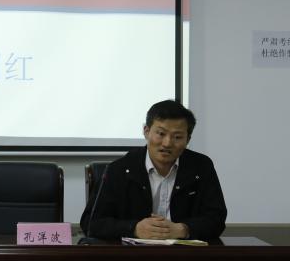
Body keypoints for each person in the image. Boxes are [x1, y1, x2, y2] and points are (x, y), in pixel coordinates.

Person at [80, 99, 227, 241]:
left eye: (177, 137)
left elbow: (217, 219)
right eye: (161, 134)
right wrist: (134, 229)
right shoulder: (120, 169)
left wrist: (183, 229)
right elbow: (91, 223)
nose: (167, 143)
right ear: (146, 131)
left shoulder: (201, 167)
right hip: (133, 254)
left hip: (184, 253)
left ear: (187, 139)